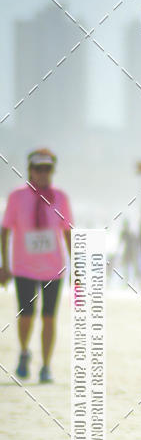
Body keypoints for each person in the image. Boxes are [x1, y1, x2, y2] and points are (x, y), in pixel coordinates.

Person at [0, 148, 73, 382]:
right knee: (27, 315)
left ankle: (46, 365)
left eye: (47, 169)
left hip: (53, 268)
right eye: (38, 168)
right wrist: (4, 264)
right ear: (30, 170)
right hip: (23, 267)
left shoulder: (60, 198)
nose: (43, 173)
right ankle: (23, 352)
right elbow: (5, 230)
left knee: (49, 317)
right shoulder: (17, 197)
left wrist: (77, 266)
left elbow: (68, 232)